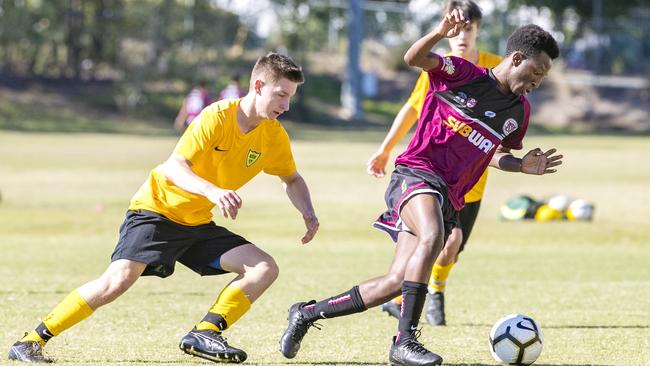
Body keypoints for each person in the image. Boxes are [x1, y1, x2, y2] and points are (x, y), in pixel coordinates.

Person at [279, 10, 561, 366]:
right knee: (431, 237)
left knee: (397, 280)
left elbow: (492, 152)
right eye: (535, 71)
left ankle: (306, 313)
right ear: (516, 58)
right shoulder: (464, 75)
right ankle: (404, 341)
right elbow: (414, 58)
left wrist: (521, 165)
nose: (537, 80)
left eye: (543, 76)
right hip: (416, 173)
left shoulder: (518, 113)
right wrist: (439, 32)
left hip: (448, 195)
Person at [9, 52, 319, 364]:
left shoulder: (273, 135)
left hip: (196, 222)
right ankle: (31, 341)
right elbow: (174, 166)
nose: (286, 106)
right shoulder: (217, 117)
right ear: (258, 85)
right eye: (280, 95)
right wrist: (213, 191)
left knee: (264, 267)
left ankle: (205, 332)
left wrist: (307, 210)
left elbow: (291, 179)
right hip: (156, 211)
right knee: (116, 282)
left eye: (290, 97)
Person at [367, 0, 502, 327]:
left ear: (478, 30)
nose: (461, 36)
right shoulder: (440, 68)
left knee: (452, 249)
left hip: (472, 178)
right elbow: (412, 109)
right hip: (435, 174)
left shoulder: (495, 69)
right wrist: (385, 150)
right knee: (443, 240)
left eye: (468, 29)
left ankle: (417, 293)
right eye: (455, 29)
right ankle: (425, 295)